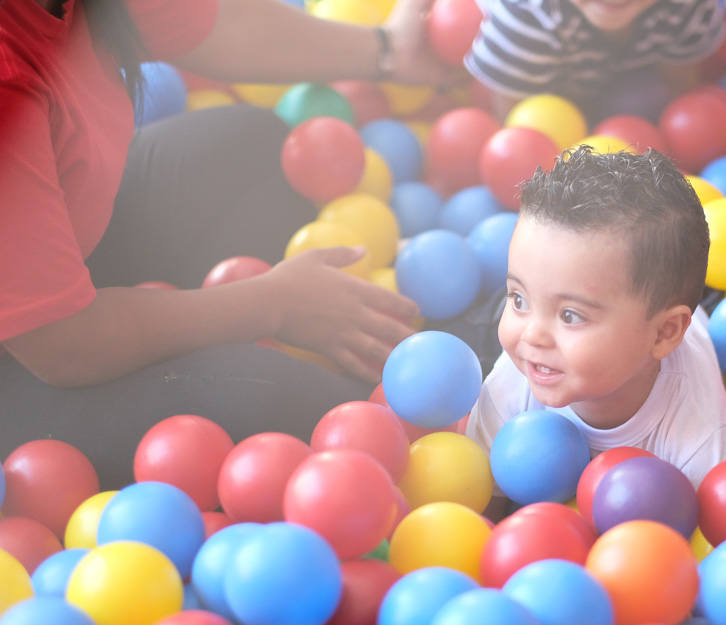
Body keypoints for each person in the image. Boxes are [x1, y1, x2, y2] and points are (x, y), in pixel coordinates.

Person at [0, 0, 458, 490]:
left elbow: (224, 26)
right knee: (275, 404)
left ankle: (215, 333)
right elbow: (64, 345)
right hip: (37, 355)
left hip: (52, 258)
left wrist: (387, 50)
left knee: (254, 155)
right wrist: (275, 302)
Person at [466, 145, 726, 495]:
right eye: (518, 299)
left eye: (570, 316)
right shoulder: (511, 383)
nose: (532, 335)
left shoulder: (699, 435)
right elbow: (479, 506)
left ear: (663, 333)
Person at [463, 0, 726, 119]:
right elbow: (520, 132)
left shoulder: (689, 6)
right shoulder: (528, 19)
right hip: (533, 76)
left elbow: (680, 95)